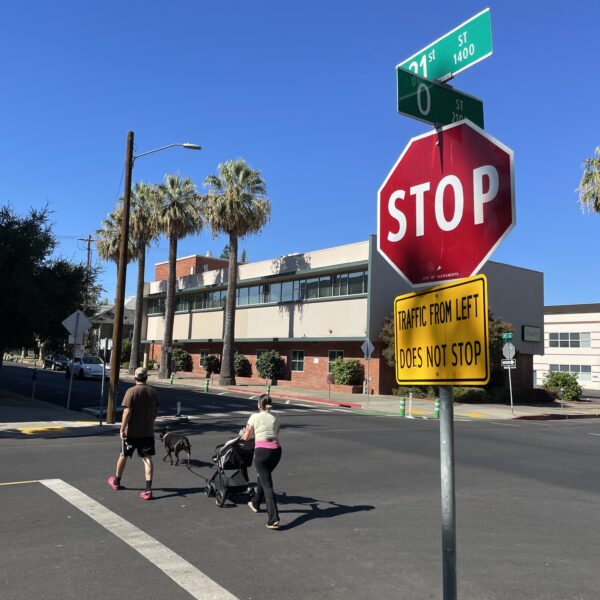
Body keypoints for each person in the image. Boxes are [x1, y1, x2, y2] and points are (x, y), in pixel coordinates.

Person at [107, 367, 160, 500]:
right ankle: (148, 490)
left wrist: (122, 428)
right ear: (146, 377)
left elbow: (127, 412)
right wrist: (150, 423)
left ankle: (117, 481)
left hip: (132, 433)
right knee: (147, 459)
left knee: (123, 455)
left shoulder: (131, 392)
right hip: (147, 432)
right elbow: (155, 412)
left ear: (135, 378)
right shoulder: (153, 392)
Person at [241, 393, 282, 529]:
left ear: (259, 404)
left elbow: (246, 437)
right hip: (276, 451)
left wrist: (243, 433)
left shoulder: (254, 417)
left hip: (262, 453)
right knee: (263, 476)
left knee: (267, 485)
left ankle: (273, 519)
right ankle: (255, 503)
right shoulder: (276, 416)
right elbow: (276, 432)